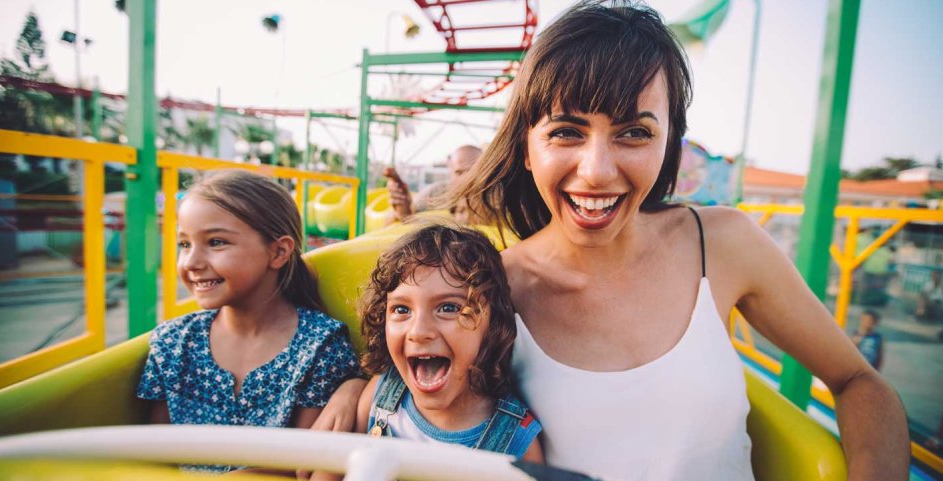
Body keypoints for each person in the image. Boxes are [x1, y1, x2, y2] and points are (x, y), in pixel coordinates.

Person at [446, 2, 909, 480]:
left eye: (633, 133)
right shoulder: (488, 291)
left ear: (669, 142)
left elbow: (860, 383)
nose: (598, 171)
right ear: (526, 148)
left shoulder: (723, 243)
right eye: (566, 132)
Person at [136, 170, 361, 473]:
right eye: (185, 244)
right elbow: (156, 456)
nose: (191, 262)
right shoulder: (173, 342)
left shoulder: (320, 345)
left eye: (215, 242)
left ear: (278, 252)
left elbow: (304, 467)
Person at [355, 224, 543, 462]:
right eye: (402, 309)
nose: (419, 332)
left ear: (493, 322)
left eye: (448, 308)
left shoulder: (515, 440)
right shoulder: (379, 394)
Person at [385, 145, 484, 225]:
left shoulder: (492, 197)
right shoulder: (436, 192)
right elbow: (393, 221)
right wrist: (403, 210)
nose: (466, 179)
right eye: (459, 173)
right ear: (451, 170)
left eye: (472, 172)